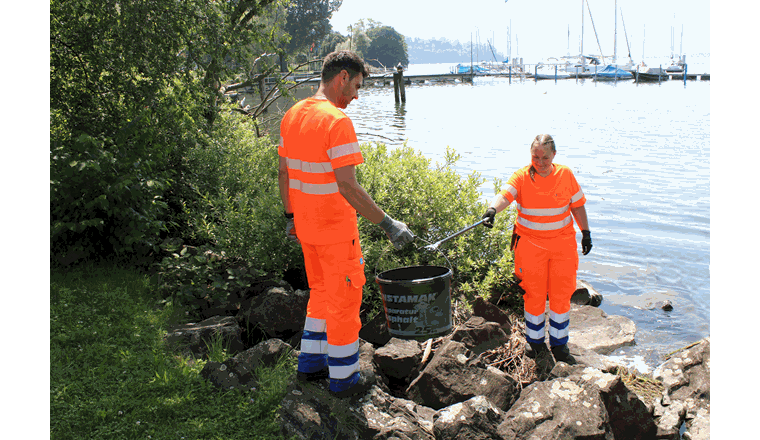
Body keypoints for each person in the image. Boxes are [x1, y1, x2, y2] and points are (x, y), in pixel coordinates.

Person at [278, 50, 415, 398]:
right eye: (355, 86)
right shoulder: (337, 122)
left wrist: (291, 217)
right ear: (341, 77)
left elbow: (284, 173)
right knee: (344, 304)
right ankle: (344, 380)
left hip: (306, 229)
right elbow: (348, 185)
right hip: (336, 234)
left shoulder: (292, 115)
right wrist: (388, 223)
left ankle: (309, 365)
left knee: (320, 295)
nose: (356, 95)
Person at [481, 134, 592, 365]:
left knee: (562, 294)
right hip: (530, 246)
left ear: (554, 155)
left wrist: (586, 233)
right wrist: (492, 209)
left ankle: (560, 345)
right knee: (534, 294)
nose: (539, 162)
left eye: (544, 157)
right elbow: (505, 195)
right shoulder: (522, 176)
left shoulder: (565, 175)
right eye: (535, 157)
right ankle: (535, 342)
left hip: (562, 245)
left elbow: (578, 206)